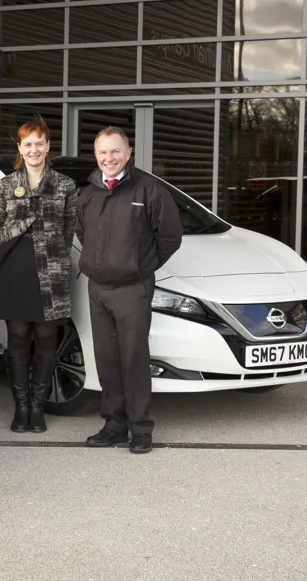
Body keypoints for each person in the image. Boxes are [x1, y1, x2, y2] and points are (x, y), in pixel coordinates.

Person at [75, 126, 182, 454]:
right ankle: (114, 424)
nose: (109, 158)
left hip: (132, 289)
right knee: (107, 359)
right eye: (103, 152)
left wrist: (140, 266)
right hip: (98, 289)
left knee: (134, 358)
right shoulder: (89, 193)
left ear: (128, 152)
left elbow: (170, 237)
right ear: (96, 155)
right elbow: (82, 233)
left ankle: (140, 428)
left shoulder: (149, 189)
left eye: (115, 151)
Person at [0, 117, 77, 433]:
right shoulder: (6, 185)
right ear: (20, 147)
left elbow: (69, 230)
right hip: (14, 269)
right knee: (17, 339)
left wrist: (52, 251)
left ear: (48, 147)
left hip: (52, 269)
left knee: (47, 339)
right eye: (27, 143)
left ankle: (37, 406)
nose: (34, 149)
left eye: (39, 143)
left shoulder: (65, 185)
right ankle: (21, 409)